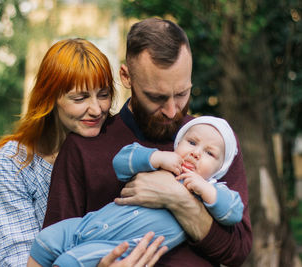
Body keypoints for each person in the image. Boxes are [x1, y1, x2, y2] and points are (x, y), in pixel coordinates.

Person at [44, 18, 252, 267]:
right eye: (157, 97)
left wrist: (178, 199)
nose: (172, 111)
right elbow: (52, 251)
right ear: (126, 77)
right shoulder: (84, 148)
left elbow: (237, 250)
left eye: (182, 93)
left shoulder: (214, 143)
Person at [0, 38, 165, 267]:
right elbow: (17, 260)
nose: (96, 109)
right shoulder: (15, 162)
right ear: (49, 98)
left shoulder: (122, 147)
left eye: (103, 94)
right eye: (79, 98)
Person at [28, 116, 244, 267]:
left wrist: (207, 190)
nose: (196, 153)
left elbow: (234, 211)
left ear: (220, 168)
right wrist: (155, 158)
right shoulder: (161, 161)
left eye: (209, 153)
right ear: (178, 143)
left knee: (70, 262)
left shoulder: (211, 188)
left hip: (119, 247)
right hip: (89, 223)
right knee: (44, 241)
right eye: (192, 142)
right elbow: (121, 161)